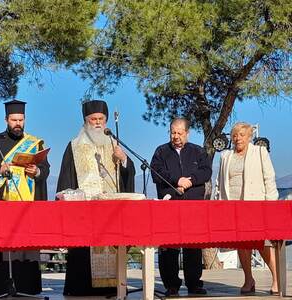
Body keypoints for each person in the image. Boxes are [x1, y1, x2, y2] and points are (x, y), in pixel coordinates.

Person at [56, 99, 136, 296]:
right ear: (86, 121)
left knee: (111, 248)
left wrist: (124, 159)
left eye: (101, 119)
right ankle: (80, 288)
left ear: (106, 121)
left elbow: (129, 173)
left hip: (110, 211)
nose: (98, 123)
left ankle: (111, 287)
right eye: (94, 119)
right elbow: (66, 179)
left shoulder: (114, 144)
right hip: (83, 211)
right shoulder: (74, 146)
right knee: (82, 253)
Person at [0, 99, 50, 297]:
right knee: (3, 245)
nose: (18, 123)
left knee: (25, 246)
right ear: (6, 120)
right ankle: (0, 286)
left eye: (21, 120)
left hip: (27, 207)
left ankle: (26, 286)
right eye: (13, 120)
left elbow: (45, 169)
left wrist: (37, 171)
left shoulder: (35, 143)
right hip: (2, 205)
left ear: (25, 120)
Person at [215, 122, 279, 295]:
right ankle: (248, 279)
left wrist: (271, 205)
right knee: (242, 244)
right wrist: (220, 206)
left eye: (242, 135)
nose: (238, 138)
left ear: (249, 136)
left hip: (256, 206)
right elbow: (220, 184)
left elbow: (269, 179)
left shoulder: (259, 152)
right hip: (233, 206)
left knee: (262, 244)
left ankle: (276, 279)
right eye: (235, 135)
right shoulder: (225, 156)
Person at [150, 117, 212, 297]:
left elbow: (206, 171)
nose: (176, 136)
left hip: (193, 206)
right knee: (169, 247)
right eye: (172, 132)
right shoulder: (161, 151)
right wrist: (176, 180)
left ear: (187, 133)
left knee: (193, 246)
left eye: (179, 133)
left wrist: (189, 181)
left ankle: (194, 284)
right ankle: (171, 285)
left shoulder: (198, 151)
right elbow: (156, 172)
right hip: (169, 206)